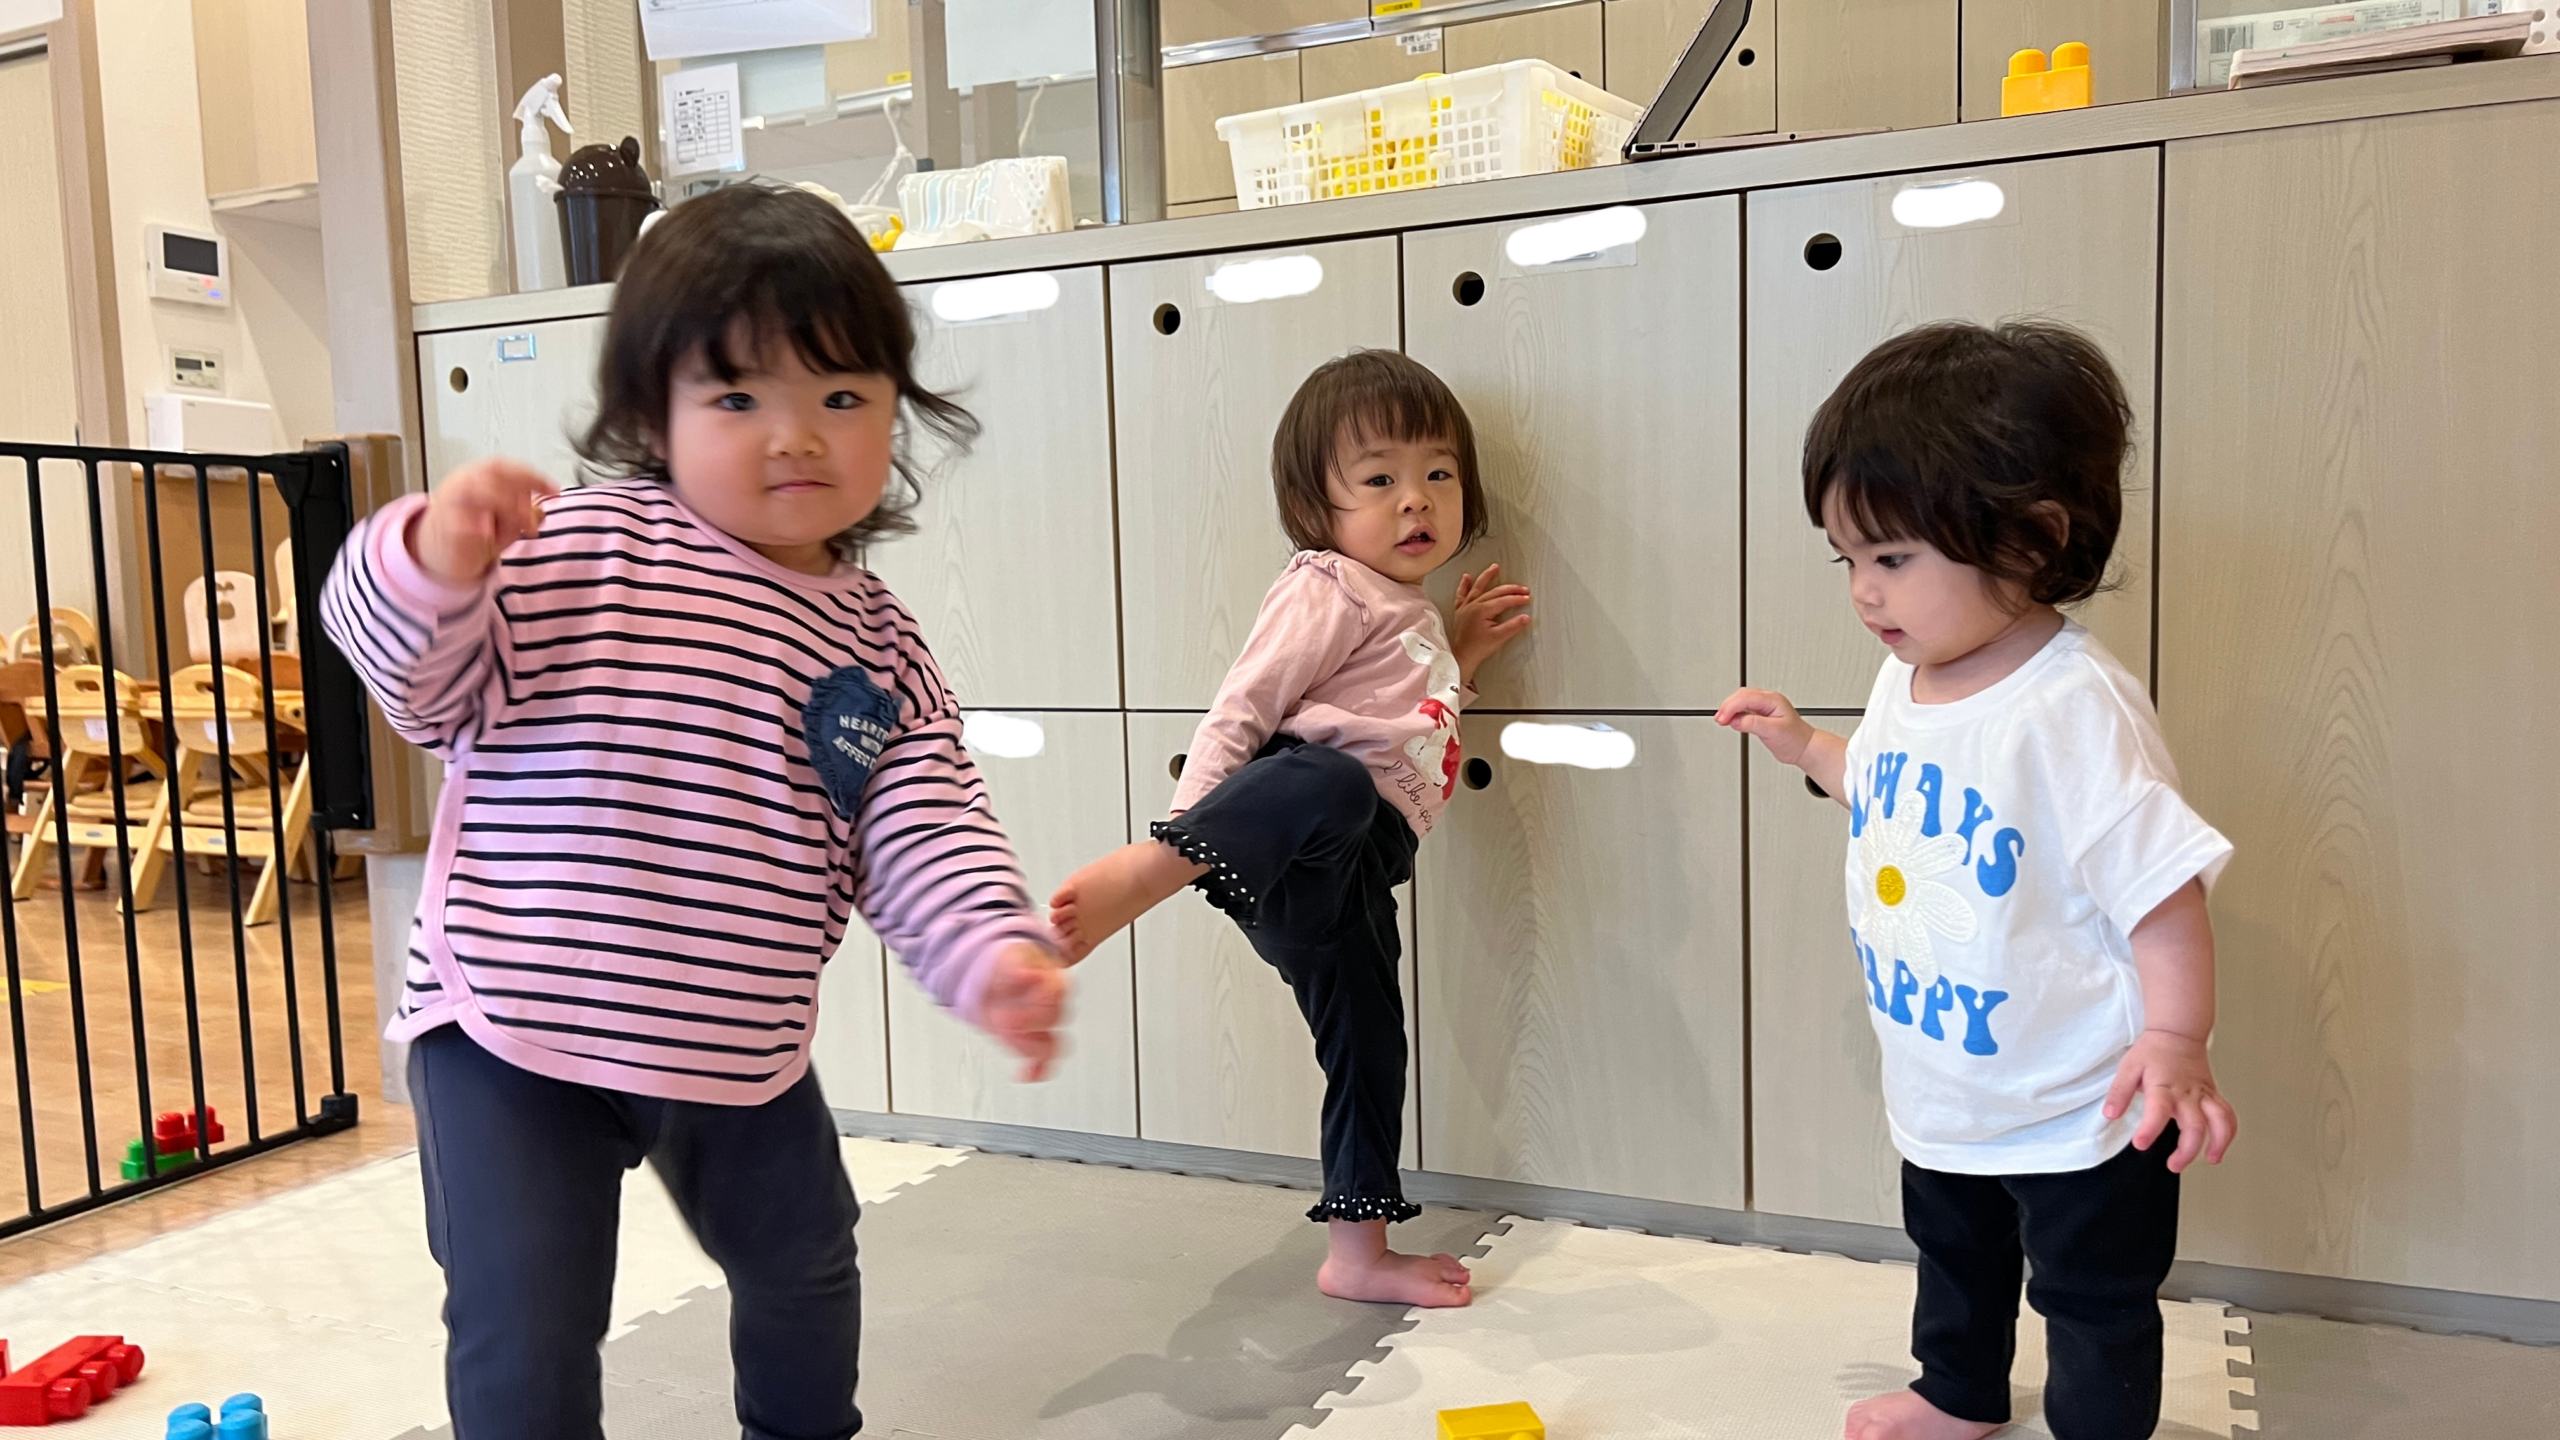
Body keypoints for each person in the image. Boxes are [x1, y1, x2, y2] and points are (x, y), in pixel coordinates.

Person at [321, 182, 1068, 1440]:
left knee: (807, 1269)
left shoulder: (877, 644)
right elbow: (416, 687)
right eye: (737, 399)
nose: (795, 437)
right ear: (651, 416)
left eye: (841, 398)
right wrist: (434, 559)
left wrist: (987, 949)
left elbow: (923, 824)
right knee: (525, 1320)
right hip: (517, 1024)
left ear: (896, 409)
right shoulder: (582, 550)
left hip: (734, 1039)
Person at [1715, 321, 2239, 1440]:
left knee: (2091, 1297)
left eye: (1892, 558)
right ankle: (1958, 1392)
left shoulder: (2073, 708)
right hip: (1949, 1079)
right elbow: (1894, 792)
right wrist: (1808, 748)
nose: (1864, 593)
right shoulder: (1909, 675)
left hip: (2082, 1100)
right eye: (1847, 560)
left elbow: (2162, 888)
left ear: (2032, 538)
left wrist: (2176, 1039)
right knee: (1954, 1253)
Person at [1048, 349, 1533, 1309]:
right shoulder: (1328, 585)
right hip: (1299, 834)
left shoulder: (1408, 612)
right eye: (1380, 480)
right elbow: (1244, 707)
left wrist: (1463, 658)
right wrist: (1180, 835)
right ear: (1317, 507)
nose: (1416, 499)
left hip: (1360, 877)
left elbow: (1409, 726)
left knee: (1371, 1046)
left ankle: (1358, 1253)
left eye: (1439, 473)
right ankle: (1152, 871)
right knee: (1334, 780)